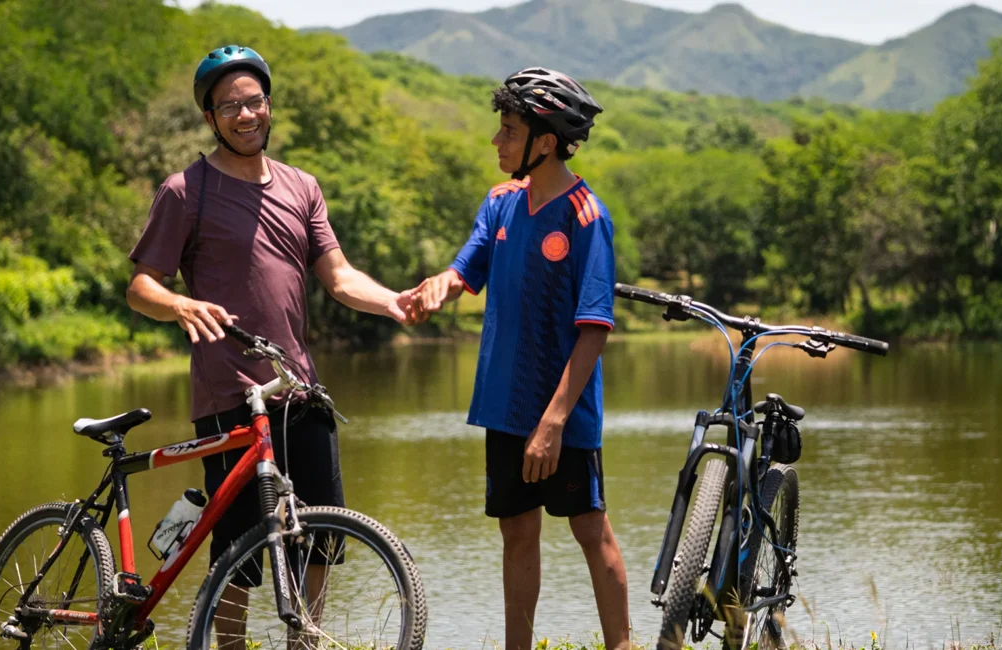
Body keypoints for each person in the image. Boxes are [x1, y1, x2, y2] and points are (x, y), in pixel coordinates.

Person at [125, 44, 422, 644]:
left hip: (297, 386)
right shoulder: (186, 191)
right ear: (210, 118)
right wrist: (179, 304)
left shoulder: (302, 187)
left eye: (253, 100)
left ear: (269, 105)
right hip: (229, 394)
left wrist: (389, 299)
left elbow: (337, 276)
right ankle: (229, 643)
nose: (245, 114)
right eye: (228, 105)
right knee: (237, 551)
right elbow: (139, 287)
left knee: (320, 538)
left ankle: (303, 641)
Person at [414, 67, 631, 650]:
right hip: (504, 406)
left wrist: (554, 423)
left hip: (562, 416)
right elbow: (467, 267)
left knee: (591, 529)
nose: (497, 141)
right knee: (516, 533)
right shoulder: (501, 201)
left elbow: (594, 331)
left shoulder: (587, 216)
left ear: (545, 141)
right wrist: (441, 285)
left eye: (508, 130)